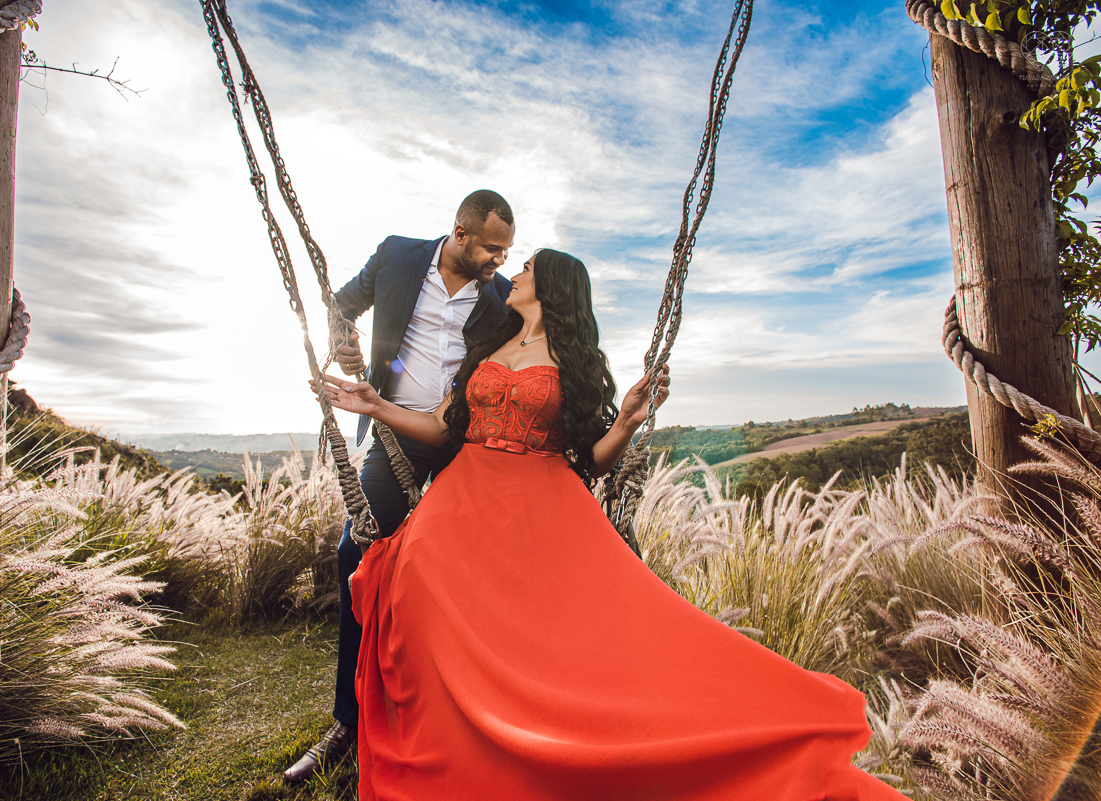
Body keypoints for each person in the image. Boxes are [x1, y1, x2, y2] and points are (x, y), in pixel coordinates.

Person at [316, 248, 908, 800]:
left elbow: (590, 462)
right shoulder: (488, 345)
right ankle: (452, 723)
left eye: (525, 269)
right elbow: (446, 427)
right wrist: (375, 406)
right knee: (418, 576)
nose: (513, 276)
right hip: (465, 494)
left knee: (594, 629)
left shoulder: (573, 365)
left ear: (549, 287)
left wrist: (624, 421)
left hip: (542, 500)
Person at [282, 190, 516, 784]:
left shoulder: (502, 297)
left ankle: (456, 719)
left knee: (462, 577)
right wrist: (342, 339)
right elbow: (340, 305)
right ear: (460, 232)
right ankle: (348, 722)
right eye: (491, 248)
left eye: (506, 251)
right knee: (356, 555)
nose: (498, 260)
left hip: (462, 445)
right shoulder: (397, 256)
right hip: (392, 434)